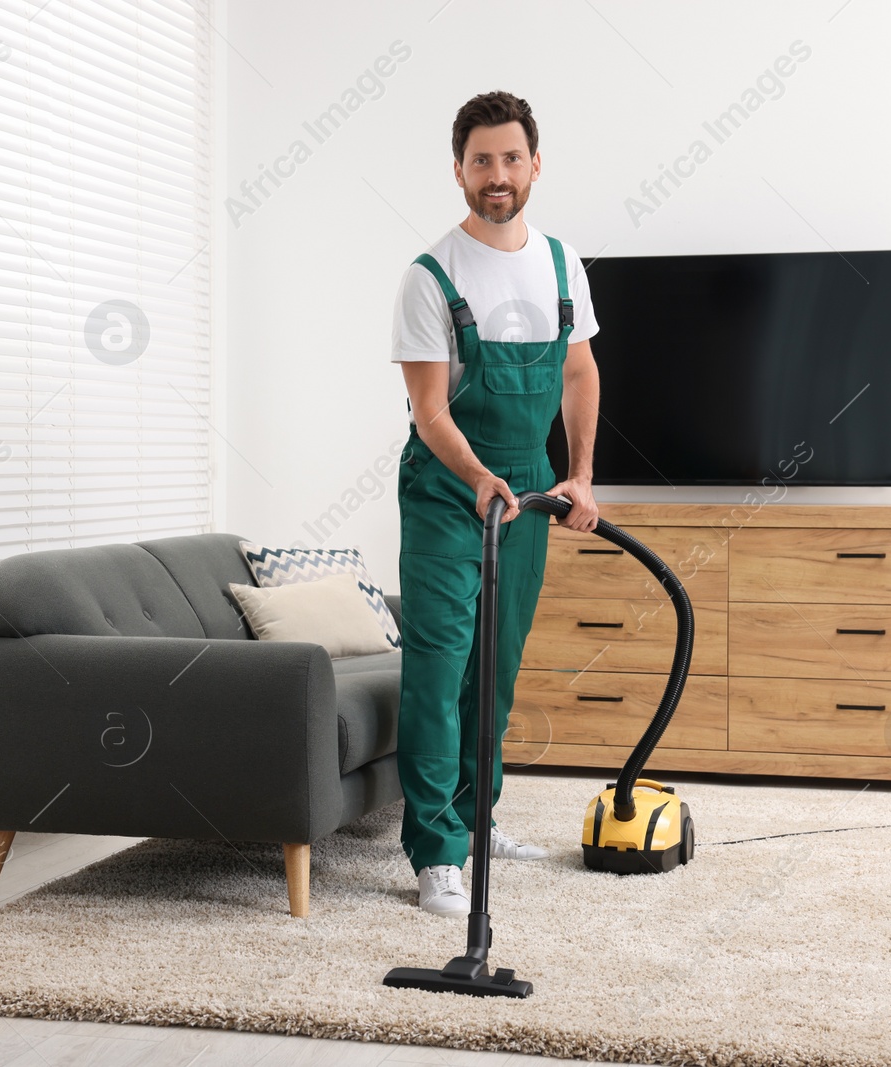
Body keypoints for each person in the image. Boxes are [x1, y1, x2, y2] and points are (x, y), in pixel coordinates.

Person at [391, 90, 602, 916]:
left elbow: (580, 373)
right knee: (440, 667)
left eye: (511, 157)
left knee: (497, 666)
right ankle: (437, 850)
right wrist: (479, 476)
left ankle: (478, 822)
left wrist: (578, 473)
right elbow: (431, 411)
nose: (497, 174)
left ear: (535, 164)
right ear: (459, 171)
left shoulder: (560, 263)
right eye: (481, 160)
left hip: (531, 486)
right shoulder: (430, 277)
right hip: (450, 488)